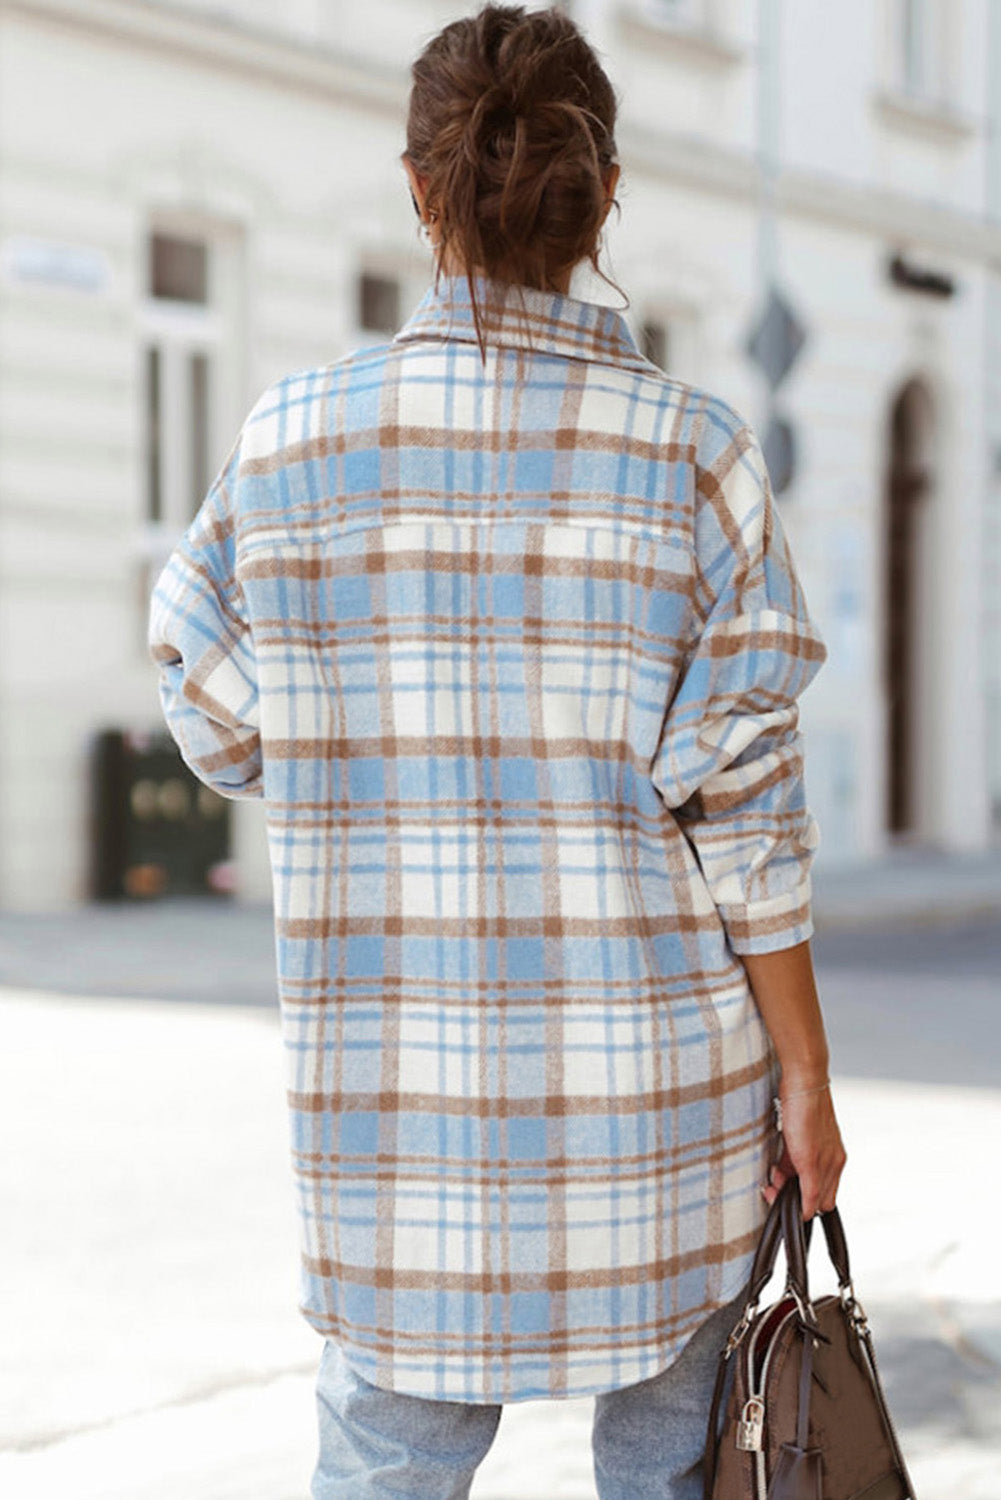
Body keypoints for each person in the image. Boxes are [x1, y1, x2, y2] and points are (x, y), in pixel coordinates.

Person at [147, 4, 847, 1496]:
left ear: (422, 192)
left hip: (390, 1113)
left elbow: (213, 714)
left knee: (384, 1465)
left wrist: (364, 750)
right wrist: (806, 1080)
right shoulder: (695, 454)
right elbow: (748, 823)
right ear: (602, 201)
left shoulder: (289, 445)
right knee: (667, 1466)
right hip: (659, 1112)